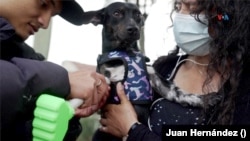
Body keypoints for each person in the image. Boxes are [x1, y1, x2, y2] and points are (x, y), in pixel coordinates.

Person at [97, 0, 250, 140]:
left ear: (223, 15)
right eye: (179, 6)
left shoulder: (243, 85)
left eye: (193, 8)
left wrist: (132, 130)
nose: (182, 16)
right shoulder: (163, 69)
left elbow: (128, 126)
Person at [0, 0, 110, 140]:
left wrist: (65, 113)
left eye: (52, 15)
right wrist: (62, 81)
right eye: (43, 4)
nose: (45, 23)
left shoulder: (28, 58)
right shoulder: (47, 75)